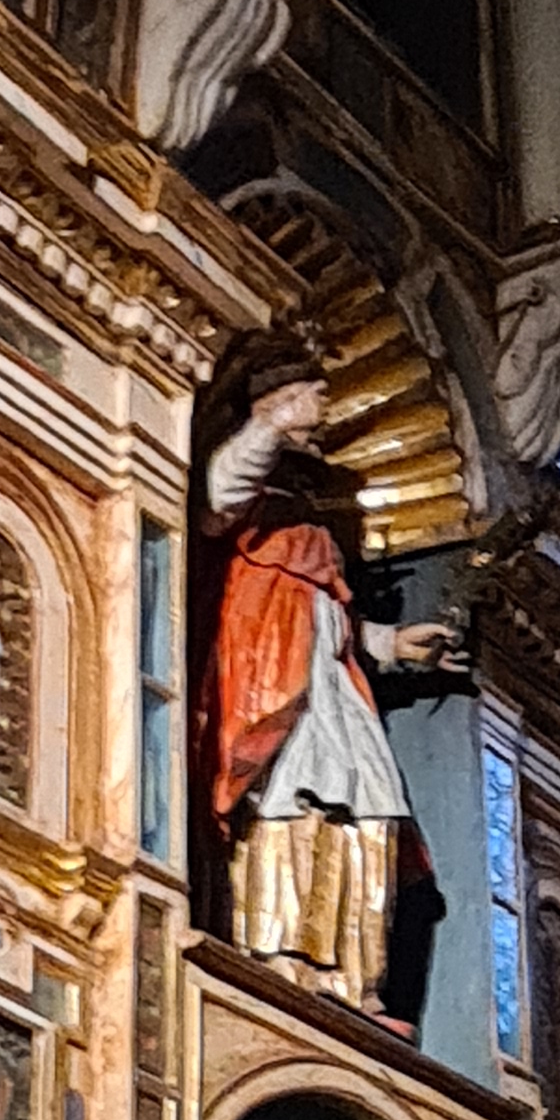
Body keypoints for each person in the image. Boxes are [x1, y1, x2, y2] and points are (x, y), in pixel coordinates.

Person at [195, 345, 459, 1016]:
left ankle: (351, 974)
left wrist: (392, 644)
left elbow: (330, 617)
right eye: (315, 395)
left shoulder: (310, 519)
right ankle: (278, 953)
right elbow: (218, 497)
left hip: (332, 690)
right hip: (270, 678)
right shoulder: (250, 493)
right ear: (280, 401)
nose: (325, 411)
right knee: (288, 800)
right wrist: (267, 426)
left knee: (369, 806)